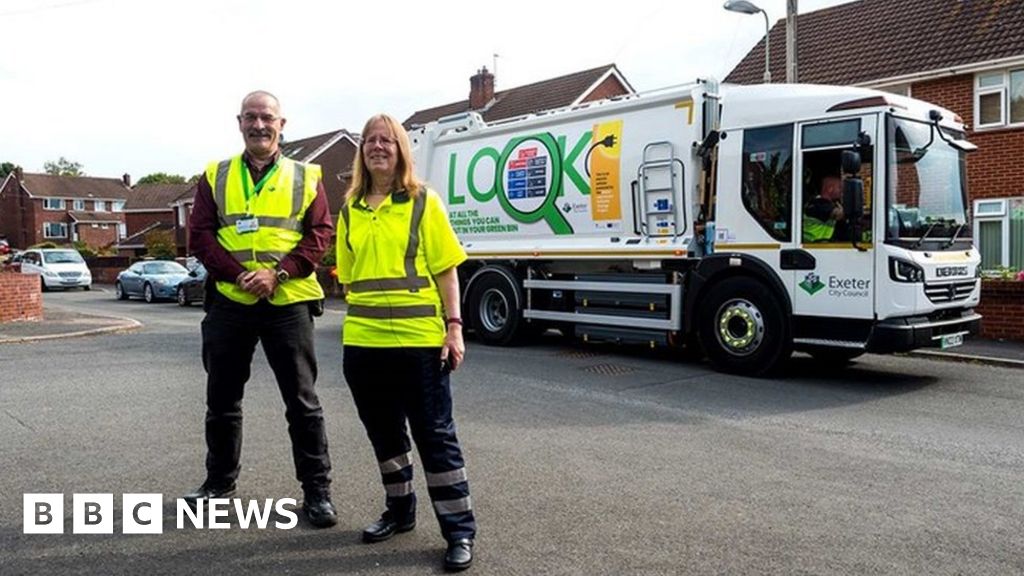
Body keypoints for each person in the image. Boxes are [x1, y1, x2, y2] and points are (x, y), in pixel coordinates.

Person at [186, 90, 338, 527]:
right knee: (222, 401)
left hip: (287, 302)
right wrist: (238, 276)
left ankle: (317, 492)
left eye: (266, 117)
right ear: (239, 122)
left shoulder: (306, 176)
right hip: (231, 302)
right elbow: (200, 236)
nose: (259, 125)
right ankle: (219, 484)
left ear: (281, 124)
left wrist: (278, 274)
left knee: (302, 402)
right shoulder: (215, 175)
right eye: (251, 117)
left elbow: (319, 235)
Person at [336, 114, 476, 571]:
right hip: (363, 343)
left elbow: (446, 269)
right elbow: (350, 278)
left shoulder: (422, 201)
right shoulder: (350, 209)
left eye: (387, 140)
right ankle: (400, 512)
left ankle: (458, 531)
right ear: (362, 152)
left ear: (400, 150)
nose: (378, 147)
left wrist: (453, 327)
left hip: (418, 343)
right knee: (386, 436)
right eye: (370, 141)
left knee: (435, 436)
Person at [802, 175, 845, 242]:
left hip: (822, 245)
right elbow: (838, 214)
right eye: (839, 187)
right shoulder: (818, 205)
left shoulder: (831, 203)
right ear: (830, 189)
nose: (842, 191)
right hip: (813, 246)